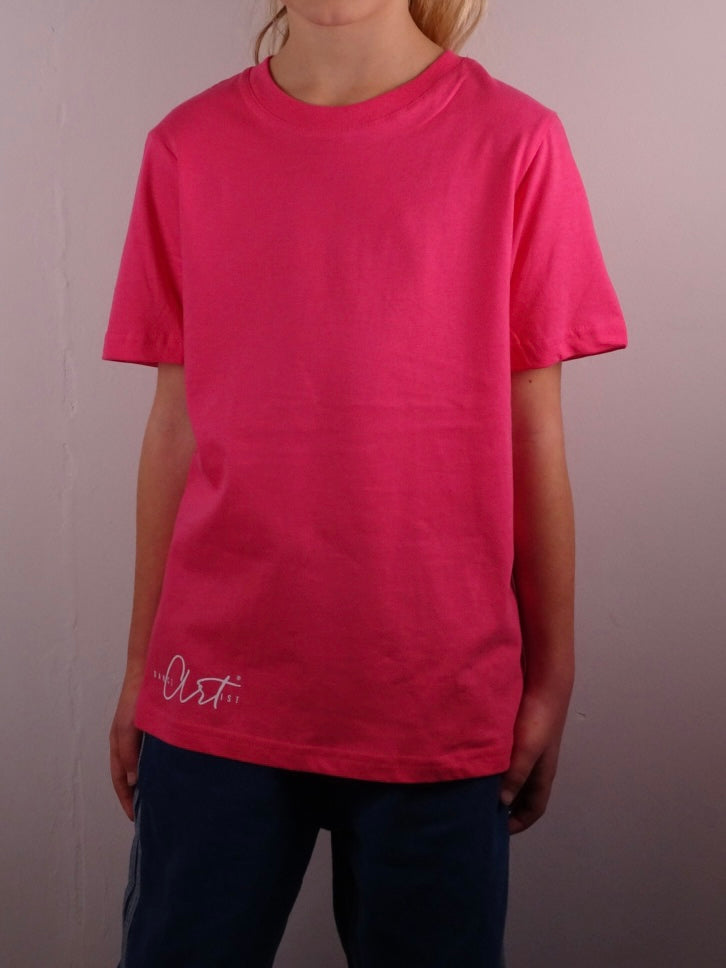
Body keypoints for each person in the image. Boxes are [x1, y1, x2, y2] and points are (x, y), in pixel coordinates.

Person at [103, 2, 628, 966]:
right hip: (214, 689)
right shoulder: (187, 147)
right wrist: (142, 665)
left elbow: (534, 433)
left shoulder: (515, 143)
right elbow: (175, 424)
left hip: (435, 697)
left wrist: (552, 673)